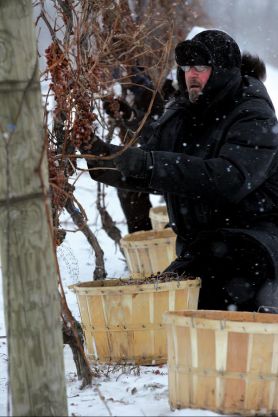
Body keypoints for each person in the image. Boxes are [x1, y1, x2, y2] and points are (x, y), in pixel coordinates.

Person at [80, 29, 278, 312]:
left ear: (222, 71)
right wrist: (99, 155)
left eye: (201, 67)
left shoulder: (253, 114)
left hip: (252, 247)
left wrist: (148, 164)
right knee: (160, 311)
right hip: (203, 248)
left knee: (193, 320)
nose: (191, 75)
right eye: (187, 67)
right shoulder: (184, 111)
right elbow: (148, 163)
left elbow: (227, 179)